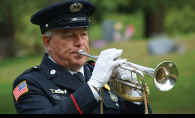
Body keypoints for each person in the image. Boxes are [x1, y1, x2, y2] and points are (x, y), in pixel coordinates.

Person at [12, 0, 152, 114]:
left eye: (83, 34)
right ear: (48, 43)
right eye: (69, 36)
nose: (80, 43)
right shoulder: (30, 83)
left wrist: (132, 97)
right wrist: (93, 86)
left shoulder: (101, 75)